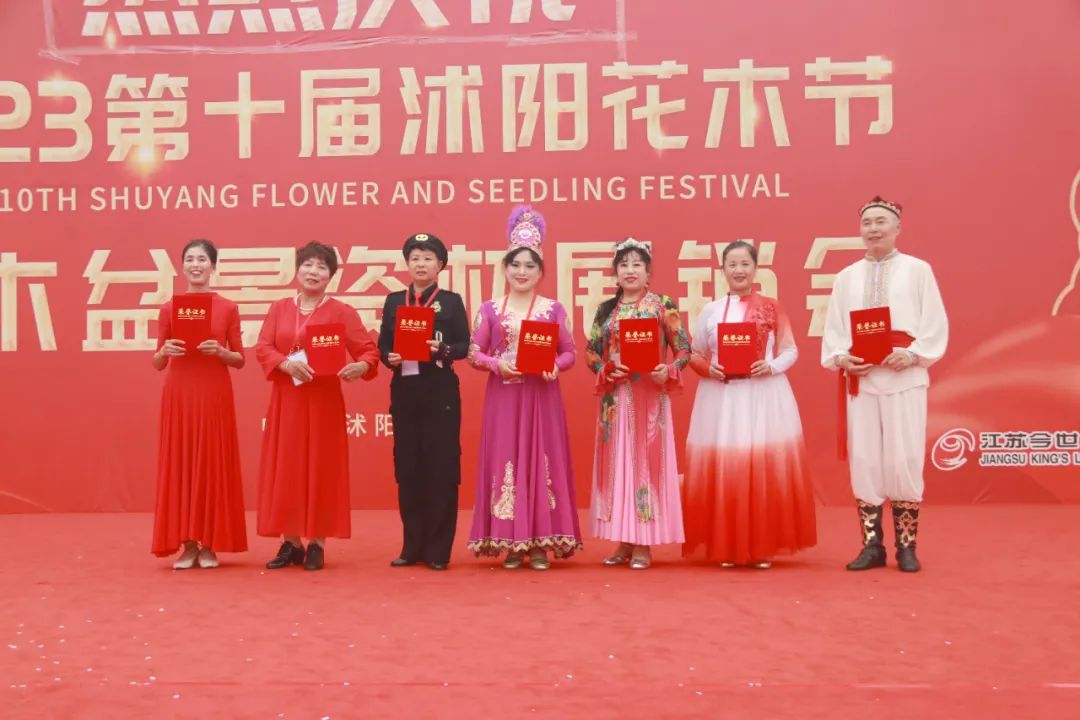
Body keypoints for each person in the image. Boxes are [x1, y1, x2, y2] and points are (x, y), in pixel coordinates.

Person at [822, 196, 948, 573]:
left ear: (897, 228)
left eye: (881, 222)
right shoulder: (846, 277)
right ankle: (871, 545)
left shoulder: (918, 270)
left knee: (904, 458)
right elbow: (835, 330)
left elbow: (934, 323)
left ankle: (906, 546)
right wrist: (842, 358)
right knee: (865, 460)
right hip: (862, 378)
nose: (873, 229)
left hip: (904, 376)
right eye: (867, 223)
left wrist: (912, 354)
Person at [682, 241, 816, 568]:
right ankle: (727, 545)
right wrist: (707, 369)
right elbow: (694, 354)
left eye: (745, 264)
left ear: (756, 268)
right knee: (726, 467)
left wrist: (771, 366)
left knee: (761, 467)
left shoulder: (771, 307)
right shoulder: (711, 311)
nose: (739, 270)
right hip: (722, 398)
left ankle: (761, 545)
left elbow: (790, 350)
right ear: (723, 270)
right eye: (732, 264)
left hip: (763, 396)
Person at [466, 207, 582, 570]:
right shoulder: (490, 309)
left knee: (541, 459)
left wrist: (555, 366)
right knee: (507, 460)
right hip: (504, 397)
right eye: (515, 264)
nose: (521, 271)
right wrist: (496, 364)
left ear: (540, 271)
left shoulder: (553, 309)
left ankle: (540, 543)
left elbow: (570, 352)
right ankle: (511, 542)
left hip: (541, 397)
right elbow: (473, 352)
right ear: (505, 268)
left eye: (530, 266)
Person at [255, 241, 379, 571]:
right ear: (297, 270)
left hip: (324, 403)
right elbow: (263, 347)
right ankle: (291, 542)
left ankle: (317, 543)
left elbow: (369, 352)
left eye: (321, 267)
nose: (313, 272)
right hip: (287, 401)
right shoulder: (280, 308)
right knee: (288, 467)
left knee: (321, 467)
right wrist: (285, 364)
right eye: (308, 265)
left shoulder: (342, 312)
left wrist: (361, 366)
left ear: (331, 275)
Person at [586, 239, 690, 570]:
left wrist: (668, 370)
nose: (630, 271)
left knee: (645, 465)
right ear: (615, 272)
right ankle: (624, 540)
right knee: (618, 468)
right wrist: (605, 368)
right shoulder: (606, 310)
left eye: (637, 264)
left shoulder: (662, 305)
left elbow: (684, 349)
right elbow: (591, 351)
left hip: (650, 398)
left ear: (648, 271)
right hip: (615, 400)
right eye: (623, 264)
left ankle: (644, 540)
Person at [151, 239, 247, 569]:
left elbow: (240, 359)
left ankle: (210, 544)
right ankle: (188, 544)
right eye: (190, 259)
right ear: (182, 267)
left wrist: (220, 352)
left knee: (211, 462)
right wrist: (164, 351)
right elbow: (157, 362)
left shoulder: (228, 308)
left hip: (213, 393)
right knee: (182, 462)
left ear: (213, 266)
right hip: (180, 393)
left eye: (202, 259)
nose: (196, 264)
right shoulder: (169, 308)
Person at [378, 234, 469, 571]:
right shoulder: (393, 301)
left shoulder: (451, 301)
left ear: (440, 265)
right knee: (408, 468)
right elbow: (382, 345)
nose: (421, 264)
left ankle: (438, 550)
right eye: (415, 258)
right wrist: (390, 357)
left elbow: (464, 345)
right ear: (407, 263)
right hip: (405, 390)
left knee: (441, 468)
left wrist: (442, 350)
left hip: (440, 391)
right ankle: (411, 546)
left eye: (428, 258)